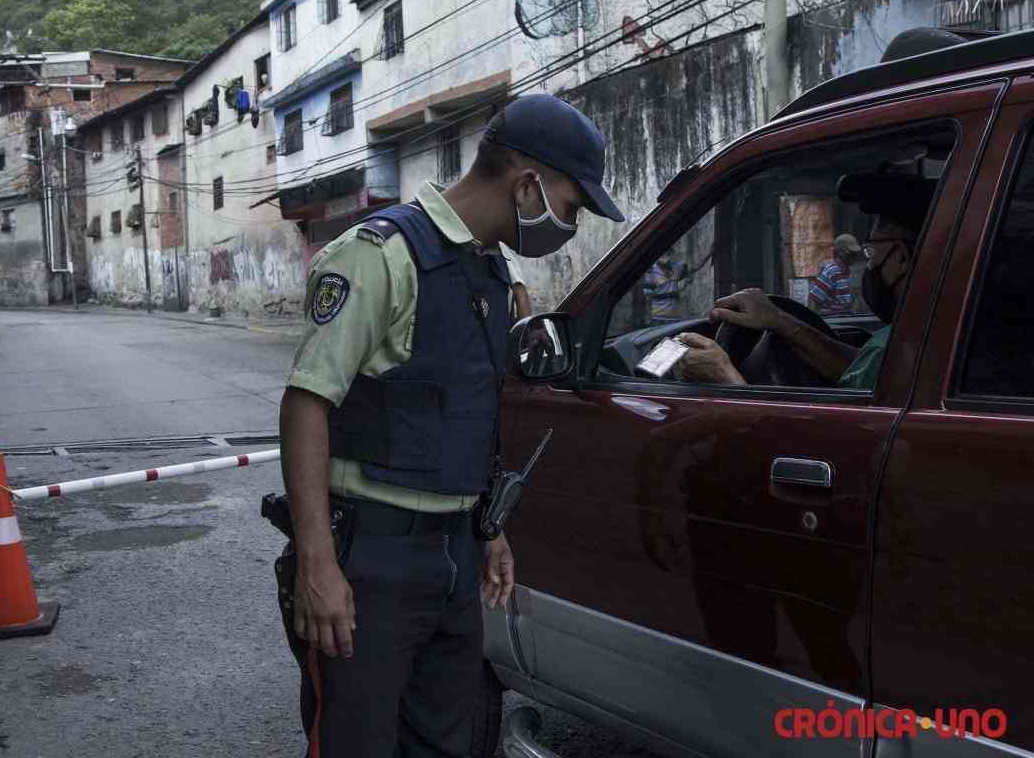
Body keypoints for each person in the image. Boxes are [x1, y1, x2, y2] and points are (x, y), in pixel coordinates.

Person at [276, 94, 624, 757]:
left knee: (448, 744)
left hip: (455, 557)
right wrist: (317, 563)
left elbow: (469, 408)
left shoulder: (490, 270)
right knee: (355, 744)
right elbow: (306, 404)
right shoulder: (380, 255)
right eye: (573, 205)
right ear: (527, 185)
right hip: (371, 557)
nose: (571, 223)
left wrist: (489, 529)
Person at [677, 172, 932, 390]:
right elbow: (861, 368)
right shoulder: (918, 338)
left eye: (871, 251)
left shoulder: (904, 346)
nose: (867, 263)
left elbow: (846, 432)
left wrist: (725, 377)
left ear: (901, 257)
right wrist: (780, 321)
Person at [808, 233, 862, 317]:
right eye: (851, 253)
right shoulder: (831, 271)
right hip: (831, 319)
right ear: (840, 252)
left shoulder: (849, 272)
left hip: (847, 318)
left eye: (856, 253)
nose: (855, 256)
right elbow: (813, 299)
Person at [643, 255, 688, 324]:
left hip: (674, 317)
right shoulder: (651, 270)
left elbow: (685, 266)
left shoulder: (676, 267)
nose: (664, 257)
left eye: (667, 254)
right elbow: (647, 293)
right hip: (658, 316)